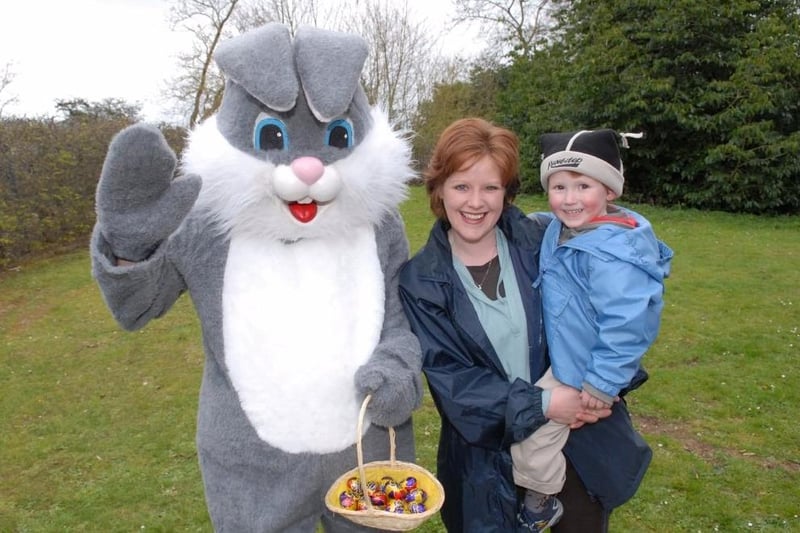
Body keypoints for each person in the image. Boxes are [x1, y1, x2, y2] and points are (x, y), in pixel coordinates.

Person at [398, 118, 616, 533]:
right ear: (438, 189)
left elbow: (610, 308)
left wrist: (607, 386)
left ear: (507, 193)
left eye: (490, 188)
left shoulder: (543, 241)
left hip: (574, 443)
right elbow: (454, 383)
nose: (475, 202)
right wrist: (545, 404)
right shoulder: (421, 281)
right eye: (462, 186)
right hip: (485, 463)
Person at [511, 128, 673, 528]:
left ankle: (540, 497)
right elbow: (557, 225)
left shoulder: (613, 254)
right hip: (569, 354)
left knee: (534, 432)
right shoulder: (570, 226)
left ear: (610, 191)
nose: (569, 198)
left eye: (582, 185)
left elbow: (627, 327)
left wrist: (600, 387)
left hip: (580, 368)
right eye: (559, 186)